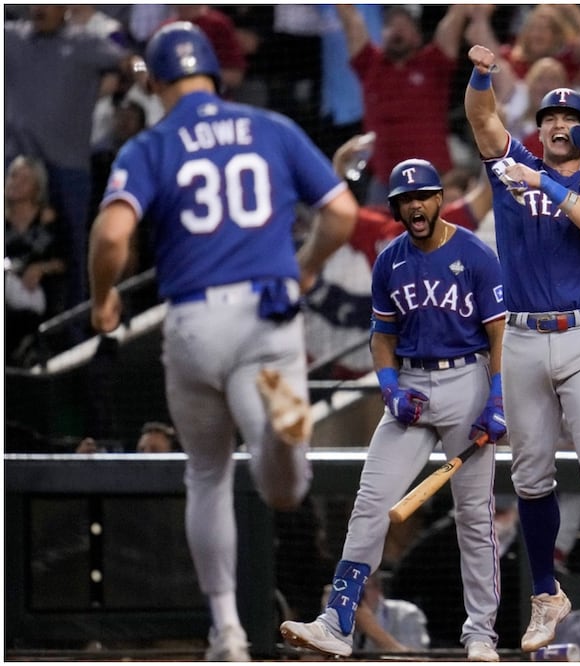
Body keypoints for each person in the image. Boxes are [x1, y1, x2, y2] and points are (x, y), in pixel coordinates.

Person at [86, 23, 359, 661]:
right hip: (266, 314)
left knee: (206, 474)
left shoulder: (152, 143)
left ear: (154, 84)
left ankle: (227, 631)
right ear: (214, 73)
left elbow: (108, 237)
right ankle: (285, 439)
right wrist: (310, 262)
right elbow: (342, 212)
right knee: (285, 487)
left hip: (193, 323)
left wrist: (103, 299)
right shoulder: (271, 127)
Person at [464, 46, 580, 653]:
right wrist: (481, 76)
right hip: (520, 335)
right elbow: (481, 118)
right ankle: (546, 594)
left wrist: (540, 179)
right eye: (548, 117)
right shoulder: (511, 163)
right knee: (529, 476)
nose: (556, 125)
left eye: (567, 119)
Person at [280, 158, 506, 663]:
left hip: (468, 377)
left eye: (422, 196)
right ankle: (337, 621)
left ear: (438, 198)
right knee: (370, 503)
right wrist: (390, 389)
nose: (415, 206)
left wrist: (497, 395)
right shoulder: (390, 260)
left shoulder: (475, 252)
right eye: (405, 200)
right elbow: (381, 336)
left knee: (474, 515)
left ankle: (481, 634)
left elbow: (498, 333)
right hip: (412, 384)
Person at [5, 5, 128, 317]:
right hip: (17, 164)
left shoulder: (85, 42)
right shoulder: (10, 37)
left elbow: (129, 61)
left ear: (65, 8)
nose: (38, 8)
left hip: (68, 167)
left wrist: (146, 74)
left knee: (76, 252)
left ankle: (77, 331)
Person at [335, 5, 468, 204]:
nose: (397, 30)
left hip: (433, 180)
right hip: (385, 184)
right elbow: (350, 19)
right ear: (381, 34)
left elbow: (455, 18)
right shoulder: (370, 64)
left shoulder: (434, 63)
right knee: (379, 235)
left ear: (417, 36)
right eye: (390, 26)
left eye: (404, 26)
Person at [4, 154, 66, 367]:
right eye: (12, 176)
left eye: (24, 179)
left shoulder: (48, 220)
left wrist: (40, 268)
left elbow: (63, 261)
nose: (15, 183)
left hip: (34, 298)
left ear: (37, 188)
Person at [350, 571, 431, 655]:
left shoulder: (405, 613)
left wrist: (371, 628)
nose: (356, 598)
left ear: (378, 589)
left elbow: (417, 659)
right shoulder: (341, 619)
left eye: (361, 591)